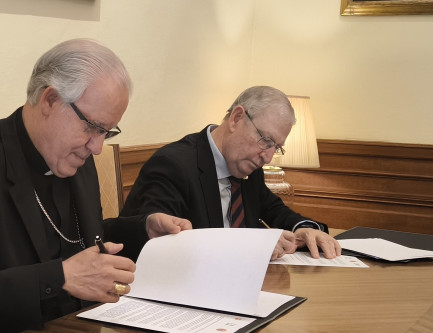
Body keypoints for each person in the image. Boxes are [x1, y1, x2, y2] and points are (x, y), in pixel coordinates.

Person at [0, 39, 191, 333]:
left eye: (108, 132)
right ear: (50, 100)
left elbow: (79, 240)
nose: (97, 147)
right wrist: (59, 277)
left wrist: (142, 228)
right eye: (93, 127)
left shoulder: (78, 158)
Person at [121, 86, 341, 260]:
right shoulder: (173, 164)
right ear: (236, 119)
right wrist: (251, 243)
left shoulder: (247, 165)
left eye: (277, 147)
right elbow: (161, 242)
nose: (268, 157)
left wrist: (304, 229)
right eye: (266, 140)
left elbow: (273, 208)